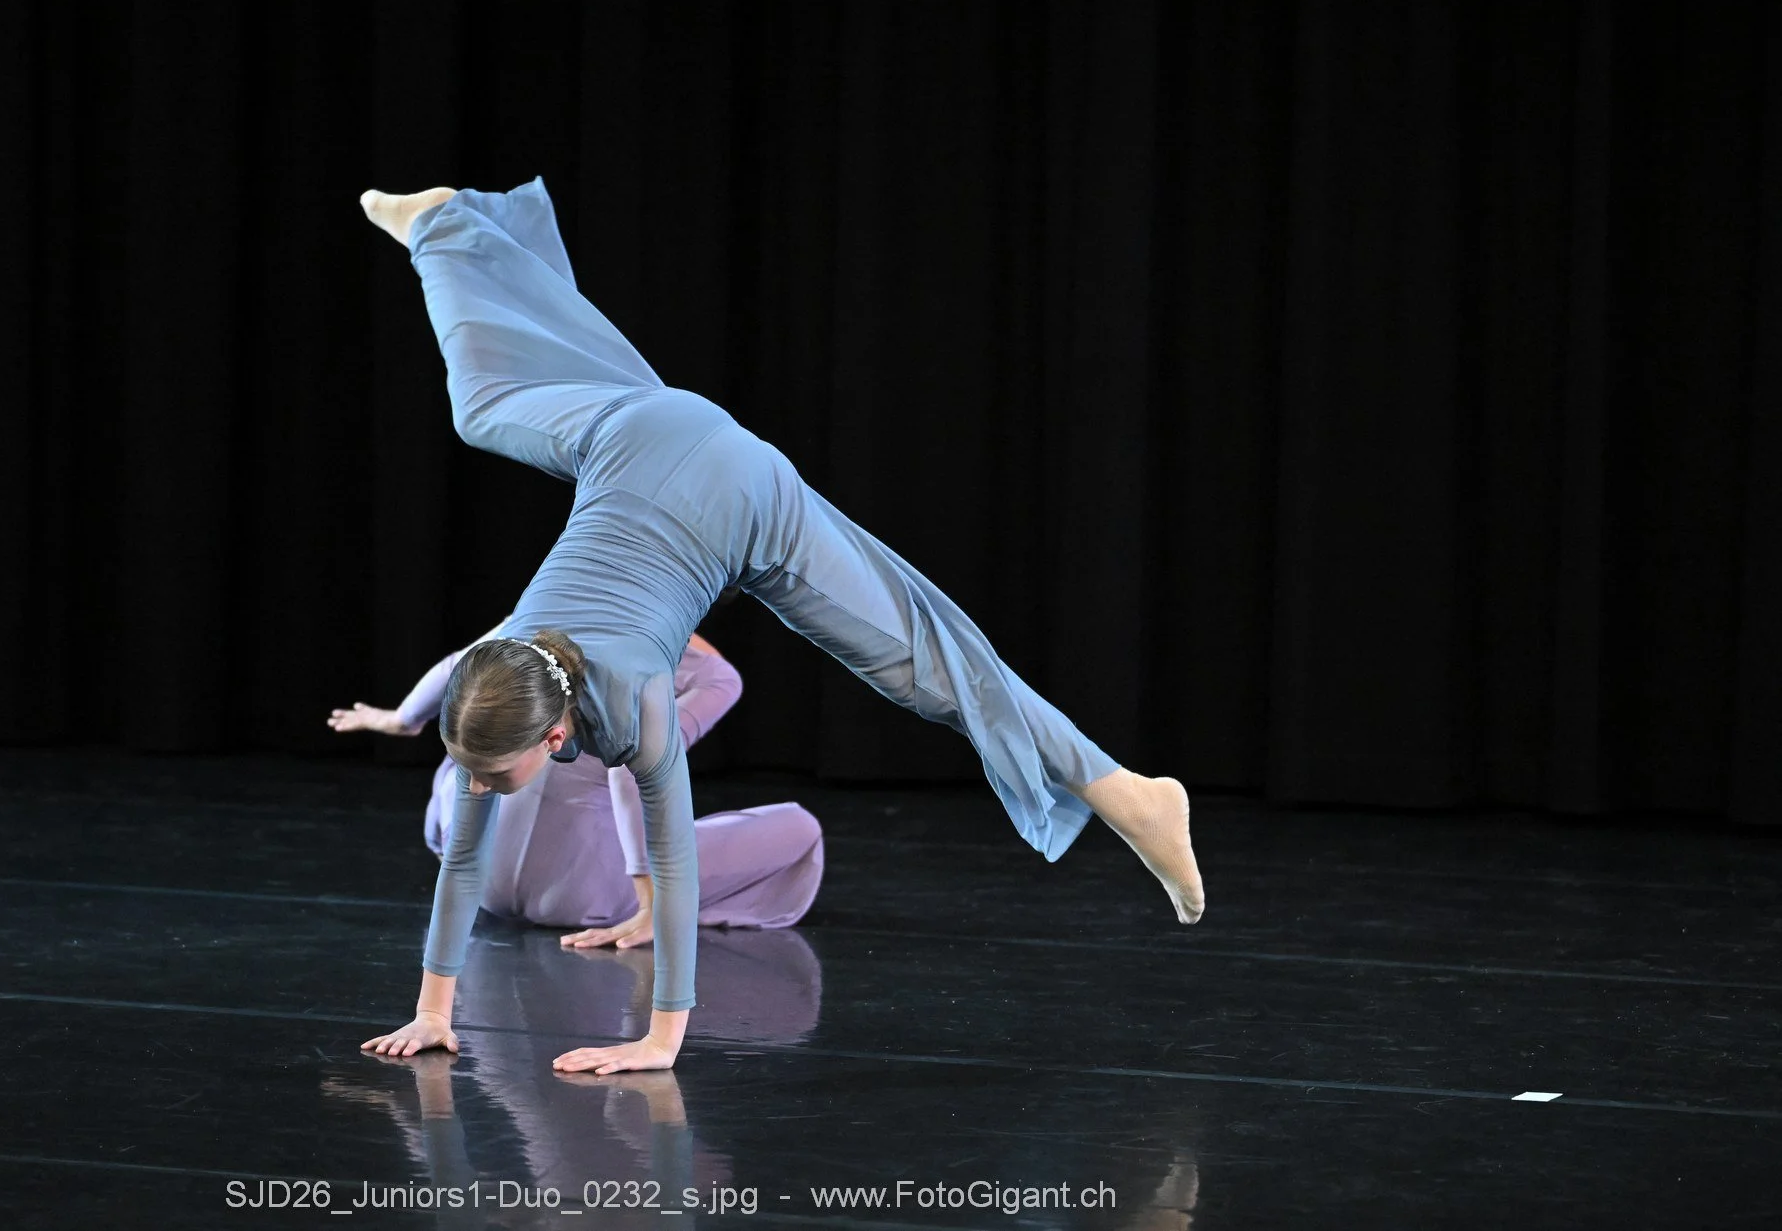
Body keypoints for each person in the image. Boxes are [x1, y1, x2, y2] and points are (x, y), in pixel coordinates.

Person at [356, 178, 1203, 1077]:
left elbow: (674, 865)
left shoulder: (637, 703)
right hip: (631, 429)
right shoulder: (496, 691)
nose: (475, 783)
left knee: (919, 660)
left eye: (488, 772)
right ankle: (442, 221)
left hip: (738, 493)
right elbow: (461, 864)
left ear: (555, 735)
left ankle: (1128, 792)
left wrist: (660, 1039)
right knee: (482, 405)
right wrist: (432, 1012)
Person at [329, 624, 823, 944]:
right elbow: (636, 770)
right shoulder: (669, 649)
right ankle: (645, 900)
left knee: (472, 741)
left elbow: (458, 665)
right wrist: (650, 900)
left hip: (480, 880)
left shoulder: (534, 616)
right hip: (586, 896)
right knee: (800, 829)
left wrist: (400, 720)